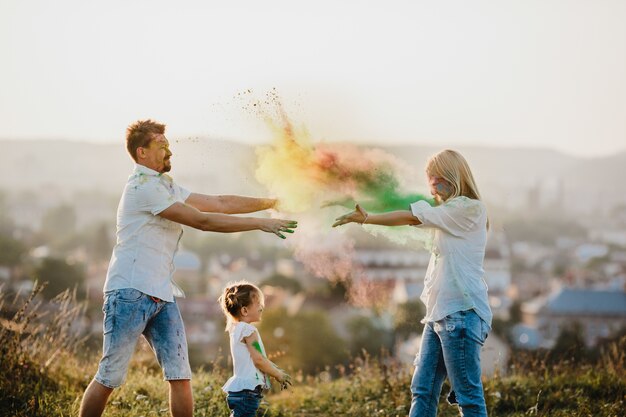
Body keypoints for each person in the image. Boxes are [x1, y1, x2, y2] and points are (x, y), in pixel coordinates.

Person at [79, 120, 297, 417]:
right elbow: (202, 221)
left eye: (169, 144)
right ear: (142, 152)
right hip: (129, 291)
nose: (169, 150)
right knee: (109, 377)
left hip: (161, 293)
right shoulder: (143, 187)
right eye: (161, 146)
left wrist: (273, 202)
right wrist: (261, 223)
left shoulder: (163, 184)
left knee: (180, 376)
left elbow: (218, 203)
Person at [333, 149, 492, 417]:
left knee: (468, 397)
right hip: (440, 314)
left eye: (433, 181)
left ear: (448, 178)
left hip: (460, 315)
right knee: (423, 389)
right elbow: (409, 215)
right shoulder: (448, 214)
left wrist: (368, 218)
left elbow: (410, 216)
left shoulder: (468, 209)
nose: (431, 190)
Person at [218, 281, 292, 417]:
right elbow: (258, 360)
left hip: (238, 391)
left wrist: (274, 368)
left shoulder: (235, 329)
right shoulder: (248, 330)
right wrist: (278, 374)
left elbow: (259, 359)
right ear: (244, 310)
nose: (262, 307)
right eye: (258, 304)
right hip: (248, 392)